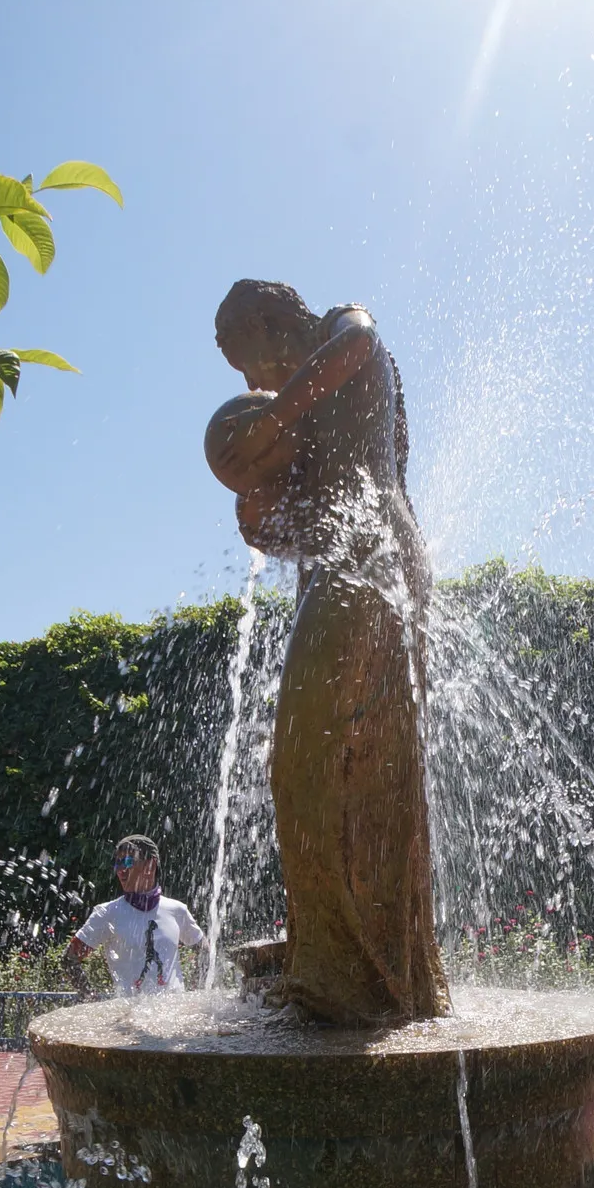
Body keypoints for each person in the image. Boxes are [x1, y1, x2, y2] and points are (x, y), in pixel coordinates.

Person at [204, 280, 447, 1027]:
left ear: (273, 323)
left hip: (372, 554)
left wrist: (273, 418)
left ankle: (341, 980)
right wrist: (262, 521)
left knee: (307, 756)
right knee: (353, 769)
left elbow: (359, 343)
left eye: (247, 359)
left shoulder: (344, 330)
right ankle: (371, 974)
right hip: (340, 561)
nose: (250, 385)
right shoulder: (308, 420)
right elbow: (297, 527)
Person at [66, 836, 205, 994]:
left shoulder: (177, 910)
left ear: (150, 865)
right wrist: (91, 999)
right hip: (130, 1017)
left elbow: (204, 952)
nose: (120, 870)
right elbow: (69, 959)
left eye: (127, 862)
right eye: (117, 863)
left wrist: (196, 994)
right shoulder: (106, 913)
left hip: (175, 1016)